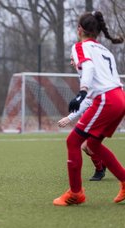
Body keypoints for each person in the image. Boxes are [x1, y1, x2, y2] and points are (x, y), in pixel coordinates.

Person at [53, 11, 125, 206]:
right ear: (98, 32)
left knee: (73, 142)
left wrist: (82, 91)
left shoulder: (80, 47)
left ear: (79, 30)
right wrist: (72, 116)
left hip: (107, 99)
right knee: (92, 146)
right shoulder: (105, 51)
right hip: (119, 97)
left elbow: (90, 72)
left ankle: (76, 193)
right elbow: (95, 91)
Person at [57, 58, 106, 181]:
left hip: (102, 111)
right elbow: (87, 100)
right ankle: (102, 164)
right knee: (88, 146)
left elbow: (88, 100)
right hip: (94, 111)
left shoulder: (89, 73)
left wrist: (69, 117)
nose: (71, 63)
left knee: (85, 145)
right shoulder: (83, 73)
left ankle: (100, 170)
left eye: (73, 59)